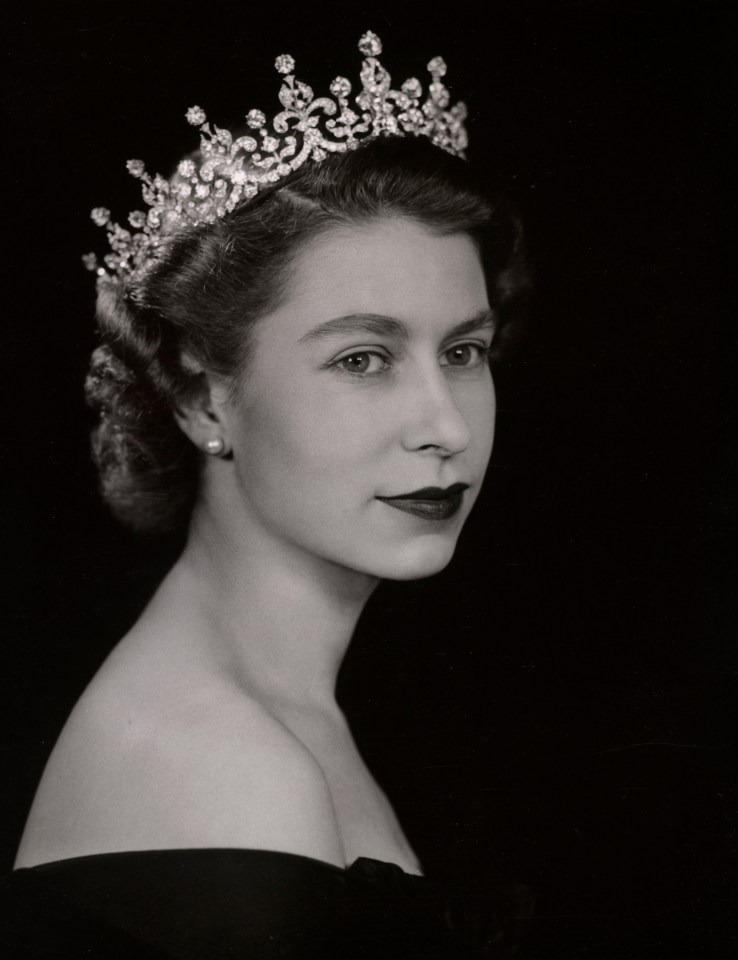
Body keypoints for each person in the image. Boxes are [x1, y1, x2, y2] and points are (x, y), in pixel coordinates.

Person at [7, 32, 529, 958]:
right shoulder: (227, 772)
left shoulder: (275, 716)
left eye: (463, 351)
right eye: (362, 359)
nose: (446, 425)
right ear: (202, 393)